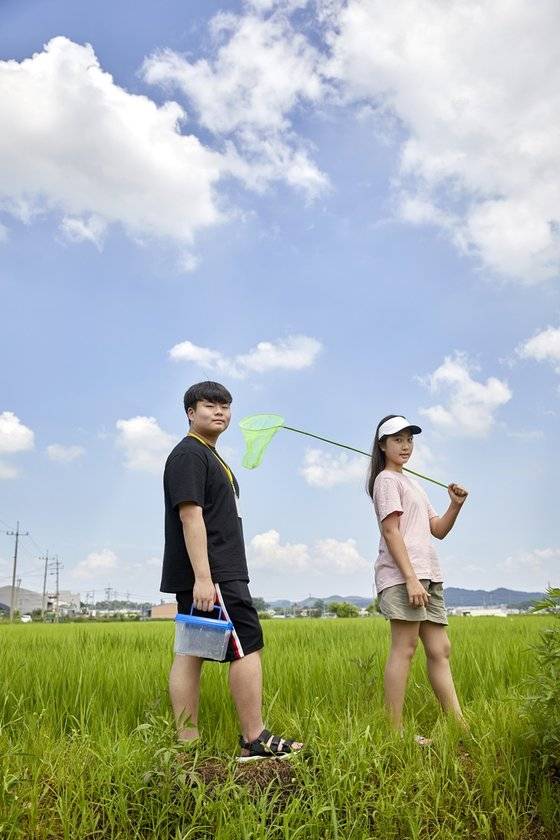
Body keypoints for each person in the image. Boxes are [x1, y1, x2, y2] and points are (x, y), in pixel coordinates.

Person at [161, 381, 303, 762]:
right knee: (248, 646)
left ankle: (187, 745)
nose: (220, 411)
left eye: (225, 405)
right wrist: (205, 579)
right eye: (209, 405)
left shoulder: (209, 455)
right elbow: (190, 517)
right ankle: (254, 737)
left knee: (191, 651)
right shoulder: (190, 454)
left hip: (213, 571)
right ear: (191, 412)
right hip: (216, 574)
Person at [367, 414, 468, 742]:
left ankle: (459, 725)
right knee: (405, 648)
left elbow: (437, 530)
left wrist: (455, 506)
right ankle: (394, 732)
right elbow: (390, 530)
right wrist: (410, 578)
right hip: (403, 576)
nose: (405, 445)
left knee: (440, 649)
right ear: (382, 445)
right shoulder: (386, 480)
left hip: (429, 574)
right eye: (397, 439)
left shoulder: (413, 483)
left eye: (409, 439)